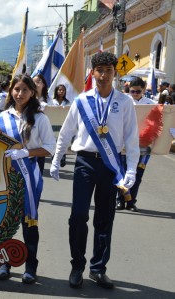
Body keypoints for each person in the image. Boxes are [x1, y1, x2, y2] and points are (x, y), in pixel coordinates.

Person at [50, 52, 139, 289]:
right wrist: (57, 158)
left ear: (114, 73)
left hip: (111, 166)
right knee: (78, 216)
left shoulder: (125, 102)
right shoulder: (81, 101)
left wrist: (131, 170)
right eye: (99, 71)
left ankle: (98, 268)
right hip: (85, 163)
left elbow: (131, 138)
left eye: (108, 71)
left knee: (105, 218)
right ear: (93, 73)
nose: (103, 75)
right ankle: (77, 265)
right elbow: (67, 132)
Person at [0, 75, 55, 284]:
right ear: (11, 91)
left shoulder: (40, 118)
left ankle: (30, 265)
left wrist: (26, 153)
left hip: (30, 177)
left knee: (29, 222)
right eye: (16, 89)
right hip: (5, 178)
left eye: (25, 90)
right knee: (4, 222)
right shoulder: (1, 118)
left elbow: (49, 148)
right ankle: (4, 263)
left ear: (32, 93)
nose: (20, 94)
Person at [116, 77, 155, 212]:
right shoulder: (123, 102)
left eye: (138, 92)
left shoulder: (150, 104)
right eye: (132, 91)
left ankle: (131, 201)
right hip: (124, 142)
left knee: (137, 175)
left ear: (143, 90)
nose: (135, 94)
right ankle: (120, 200)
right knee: (122, 173)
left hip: (142, 144)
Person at [32, 74, 51, 175]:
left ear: (43, 84)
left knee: (38, 174)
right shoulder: (27, 98)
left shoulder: (49, 100)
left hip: (41, 142)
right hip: (29, 139)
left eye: (38, 81)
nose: (35, 84)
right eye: (33, 81)